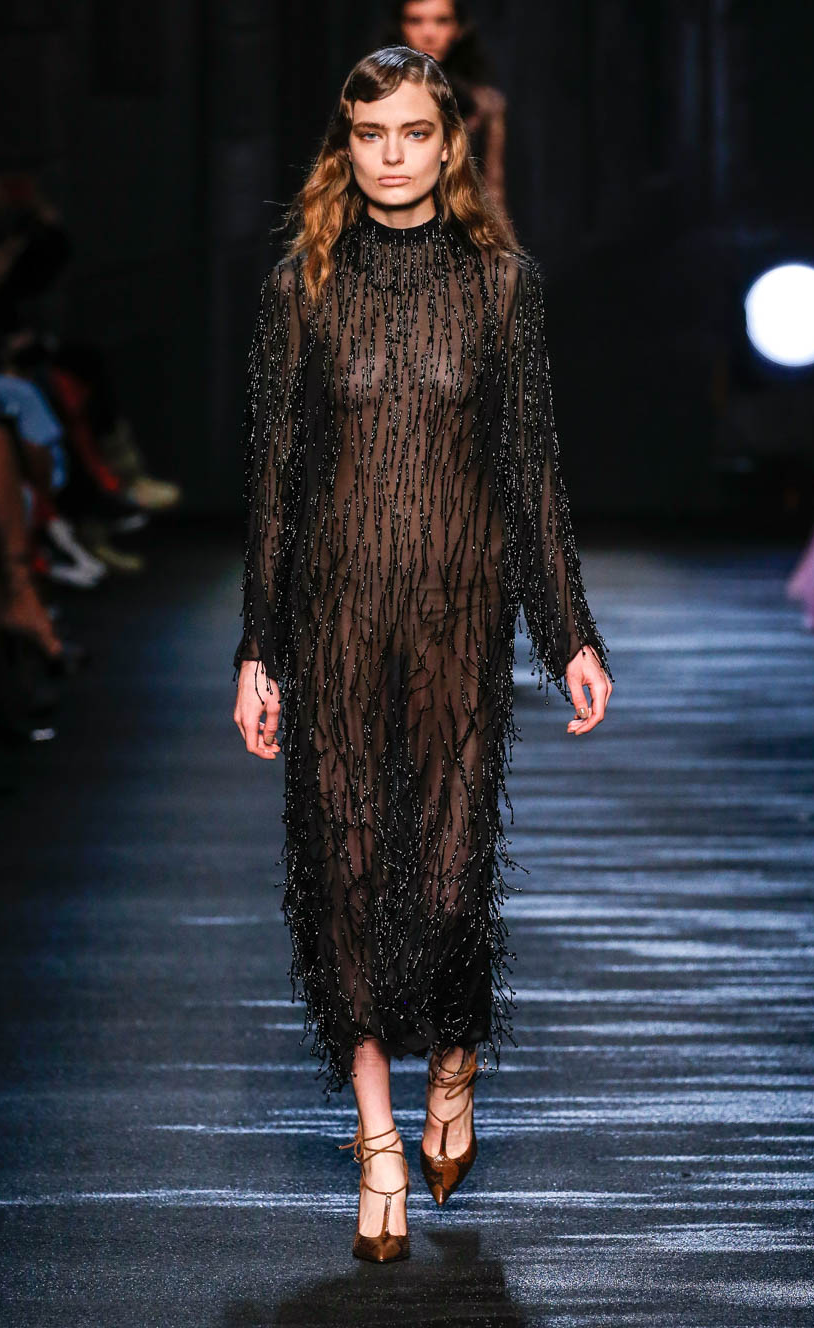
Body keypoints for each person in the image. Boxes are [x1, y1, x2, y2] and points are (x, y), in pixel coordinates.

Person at [232, 45, 613, 1264]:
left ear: (449, 145)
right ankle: (379, 1137)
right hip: (334, 618)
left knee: (449, 883)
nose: (390, 154)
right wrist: (259, 648)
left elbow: (531, 470)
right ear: (344, 147)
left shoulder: (503, 286)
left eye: (412, 132)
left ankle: (453, 1063)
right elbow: (275, 484)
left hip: (458, 620)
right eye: (369, 133)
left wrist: (569, 634)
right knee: (342, 878)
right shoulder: (302, 285)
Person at [384, 0, 509, 218]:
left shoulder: (484, 104)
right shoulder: (376, 97)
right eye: (415, 21)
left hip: (460, 223)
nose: (429, 33)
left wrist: (498, 237)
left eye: (442, 21)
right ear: (399, 26)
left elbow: (493, 189)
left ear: (459, 29)